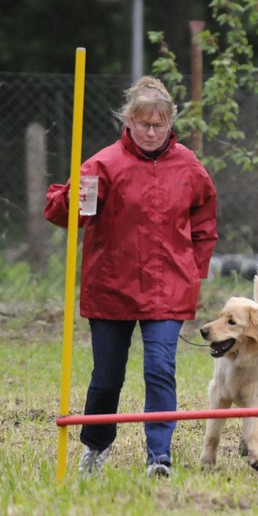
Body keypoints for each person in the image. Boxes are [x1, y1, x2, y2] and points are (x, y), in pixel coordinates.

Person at [45, 76, 217, 478]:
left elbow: (204, 220)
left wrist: (195, 269)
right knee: (107, 378)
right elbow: (60, 214)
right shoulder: (103, 164)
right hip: (111, 286)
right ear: (129, 123)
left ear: (170, 123)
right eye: (144, 125)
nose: (152, 132)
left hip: (168, 287)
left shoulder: (188, 165)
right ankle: (96, 448)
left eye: (159, 125)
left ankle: (159, 457)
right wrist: (74, 199)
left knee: (160, 369)